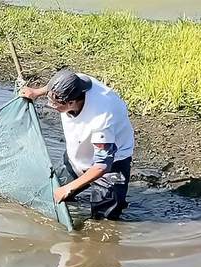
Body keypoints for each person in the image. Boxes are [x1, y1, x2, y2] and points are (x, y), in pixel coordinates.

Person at [21, 69, 135, 220]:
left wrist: (68, 188)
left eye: (55, 104)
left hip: (113, 162)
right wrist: (36, 92)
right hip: (79, 152)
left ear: (71, 102)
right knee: (50, 193)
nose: (52, 106)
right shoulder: (77, 82)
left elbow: (102, 165)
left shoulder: (102, 118)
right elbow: (53, 86)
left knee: (105, 219)